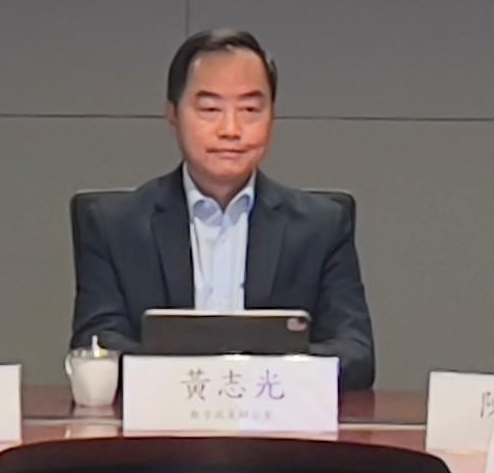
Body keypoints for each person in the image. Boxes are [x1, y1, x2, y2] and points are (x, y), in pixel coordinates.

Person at [70, 29, 376, 392]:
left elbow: (355, 355)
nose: (231, 130)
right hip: (154, 437)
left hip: (280, 435)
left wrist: (247, 385)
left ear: (272, 116)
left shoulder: (321, 226)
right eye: (210, 109)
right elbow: (98, 349)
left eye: (249, 110)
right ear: (173, 115)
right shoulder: (114, 225)